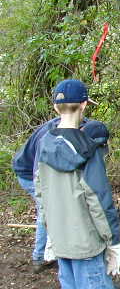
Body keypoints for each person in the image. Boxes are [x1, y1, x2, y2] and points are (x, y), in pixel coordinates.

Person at [34, 79, 120, 289]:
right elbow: (100, 200)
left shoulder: (44, 144)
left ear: (56, 106)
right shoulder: (88, 150)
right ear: (84, 105)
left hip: (62, 237)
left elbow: (41, 193)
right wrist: (113, 242)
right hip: (87, 238)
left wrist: (50, 235)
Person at [13, 113, 108, 273]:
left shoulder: (89, 128)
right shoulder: (50, 136)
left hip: (46, 172)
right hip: (29, 173)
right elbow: (40, 175)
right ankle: (41, 256)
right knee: (49, 210)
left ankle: (64, 247)